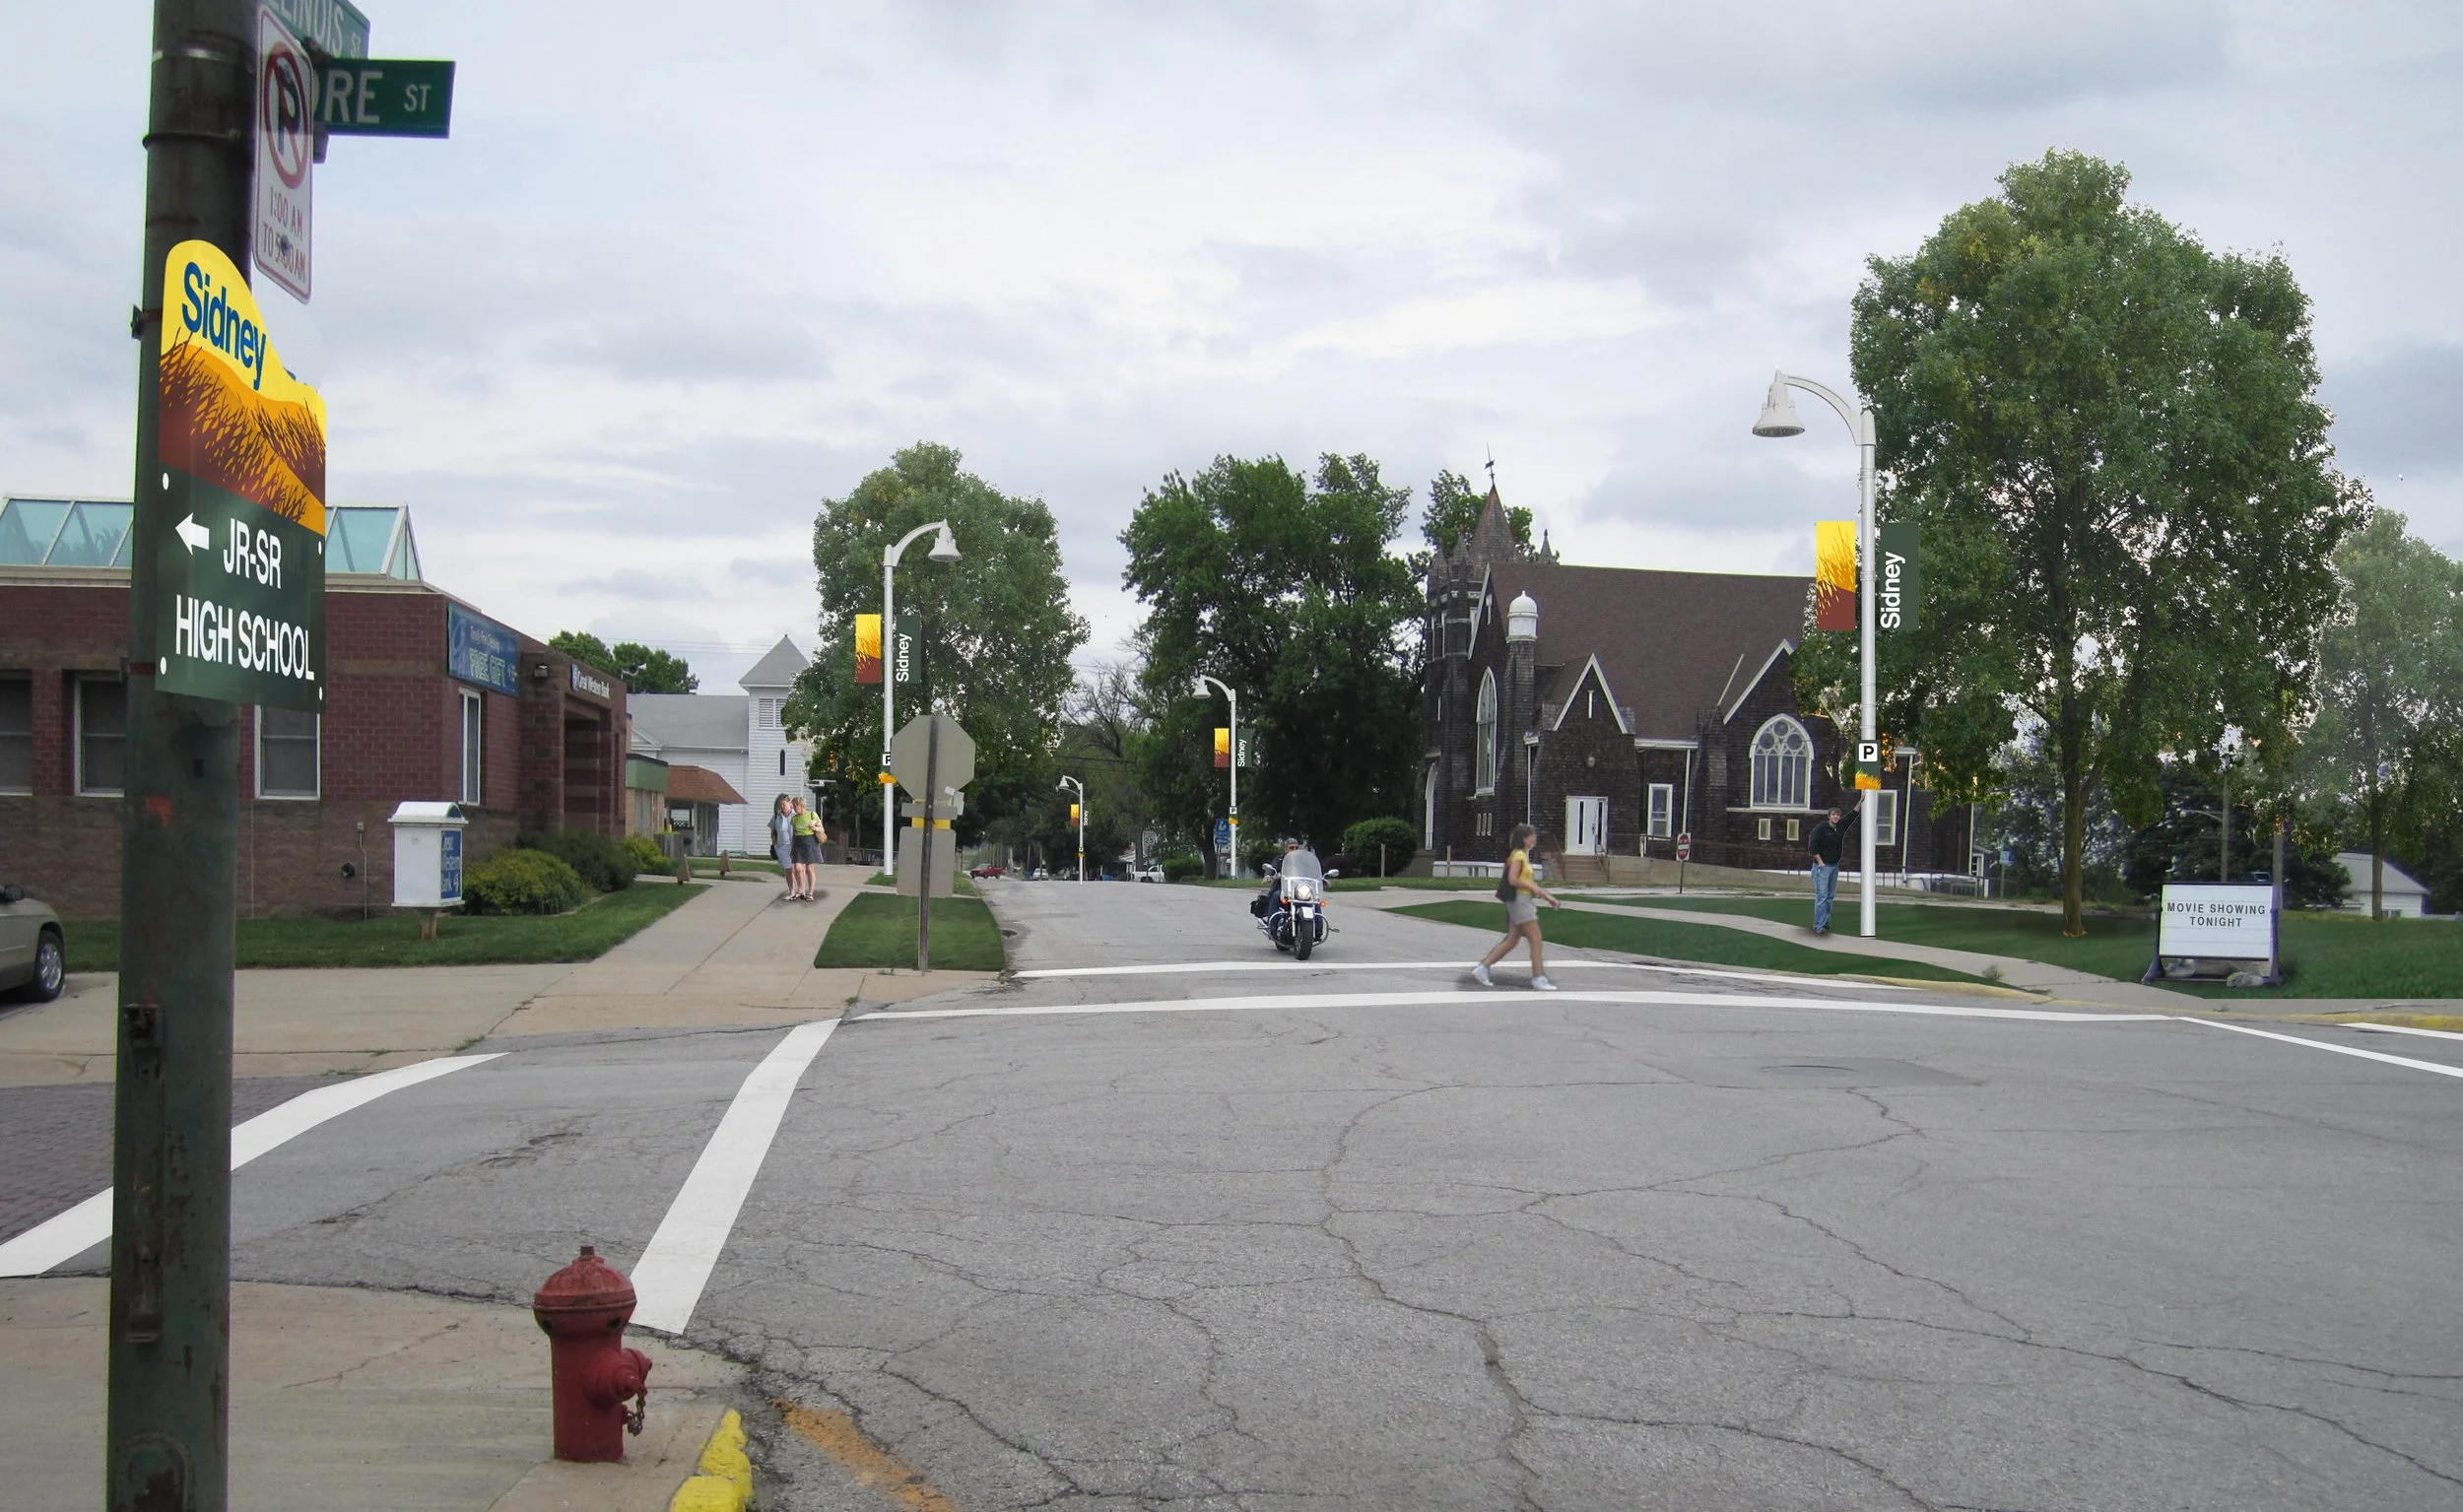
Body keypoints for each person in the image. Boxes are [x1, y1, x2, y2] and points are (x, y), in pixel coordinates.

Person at [1473, 823, 1563, 989]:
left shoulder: (1519, 855)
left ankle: (1483, 968)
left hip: (1520, 900)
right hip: (1520, 900)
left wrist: (1544, 895)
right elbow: (1513, 879)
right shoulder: (1519, 856)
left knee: (1512, 939)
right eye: (1532, 836)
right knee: (1535, 938)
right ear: (1524, 838)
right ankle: (1538, 978)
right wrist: (1538, 890)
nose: (1534, 838)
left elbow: (1519, 879)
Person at [1807, 798, 1862, 935]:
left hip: (1833, 866)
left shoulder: (1840, 826)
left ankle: (1825, 922)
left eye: (1838, 814)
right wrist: (1820, 862)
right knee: (1822, 896)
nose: (1836, 817)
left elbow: (1853, 814)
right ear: (1829, 816)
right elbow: (1812, 846)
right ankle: (1818, 926)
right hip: (1822, 867)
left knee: (1830, 896)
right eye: (1833, 814)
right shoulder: (1821, 828)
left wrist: (1862, 799)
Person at [789, 796, 822, 901]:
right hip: (798, 844)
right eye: (793, 806)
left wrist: (815, 828)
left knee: (809, 869)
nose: (793, 808)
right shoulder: (794, 819)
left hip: (810, 843)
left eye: (795, 806)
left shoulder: (812, 815)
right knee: (798, 868)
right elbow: (794, 834)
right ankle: (800, 890)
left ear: (801, 805)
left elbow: (822, 828)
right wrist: (792, 848)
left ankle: (810, 893)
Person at [769, 794, 798, 898]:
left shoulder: (796, 815)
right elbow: (773, 831)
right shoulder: (777, 815)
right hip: (782, 846)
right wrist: (774, 846)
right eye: (780, 805)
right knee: (788, 869)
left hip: (795, 845)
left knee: (798, 869)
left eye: (783, 804)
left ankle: (800, 891)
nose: (782, 806)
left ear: (789, 802)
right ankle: (792, 892)